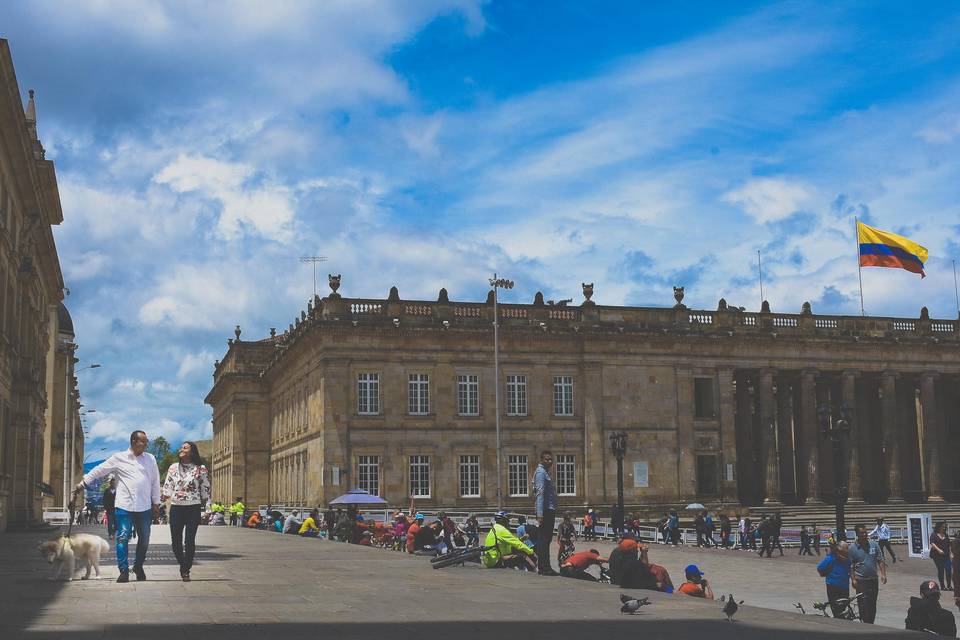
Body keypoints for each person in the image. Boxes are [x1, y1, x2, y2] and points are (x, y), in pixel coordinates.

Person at [75, 430, 161, 583]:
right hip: (124, 505)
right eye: (143, 441)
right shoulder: (118, 458)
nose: (146, 444)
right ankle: (123, 571)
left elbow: (155, 482)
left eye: (146, 441)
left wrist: (156, 503)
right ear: (134, 442)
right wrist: (83, 483)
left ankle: (138, 566)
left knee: (145, 539)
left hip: (144, 506)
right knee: (122, 536)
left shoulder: (150, 459)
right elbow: (99, 470)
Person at [160, 441, 211, 581]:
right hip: (176, 507)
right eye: (181, 447)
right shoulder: (173, 468)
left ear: (192, 452)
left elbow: (205, 489)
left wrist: (207, 508)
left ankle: (186, 569)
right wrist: (162, 496)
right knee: (175, 541)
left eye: (185, 447)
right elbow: (168, 486)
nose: (181, 449)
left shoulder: (201, 468)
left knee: (189, 540)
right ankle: (183, 564)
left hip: (193, 507)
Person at [850, 523, 887, 624]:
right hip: (861, 581)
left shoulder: (874, 544)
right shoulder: (853, 548)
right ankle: (865, 624)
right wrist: (853, 579)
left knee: (872, 604)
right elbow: (851, 566)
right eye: (862, 533)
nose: (864, 534)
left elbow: (880, 559)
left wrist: (883, 574)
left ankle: (871, 623)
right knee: (862, 604)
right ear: (857, 534)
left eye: (865, 532)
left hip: (873, 580)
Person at [533, 450, 559, 576]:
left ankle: (546, 566)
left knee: (547, 539)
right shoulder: (541, 473)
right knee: (543, 539)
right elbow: (540, 493)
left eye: (550, 459)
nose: (549, 461)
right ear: (541, 460)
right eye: (547, 459)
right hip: (545, 510)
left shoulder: (545, 472)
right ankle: (544, 567)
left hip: (549, 509)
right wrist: (540, 514)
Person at [817, 541, 851, 618]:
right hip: (833, 587)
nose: (847, 552)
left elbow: (851, 570)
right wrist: (825, 574)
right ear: (839, 550)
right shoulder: (831, 558)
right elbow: (820, 568)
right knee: (836, 610)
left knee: (843, 608)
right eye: (845, 550)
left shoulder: (848, 559)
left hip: (845, 586)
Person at [931, 522, 953, 591]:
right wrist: (939, 550)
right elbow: (932, 543)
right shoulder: (934, 535)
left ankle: (949, 586)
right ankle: (942, 586)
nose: (944, 528)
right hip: (937, 556)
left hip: (946, 555)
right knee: (941, 570)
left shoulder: (946, 535)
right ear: (939, 527)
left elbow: (949, 545)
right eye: (942, 527)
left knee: (948, 570)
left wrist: (951, 553)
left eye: (945, 527)